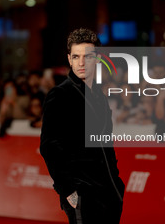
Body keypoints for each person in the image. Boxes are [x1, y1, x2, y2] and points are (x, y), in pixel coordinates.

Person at [40, 28, 125, 224]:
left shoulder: (100, 97)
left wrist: (116, 184)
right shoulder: (60, 95)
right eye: (76, 56)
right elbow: (49, 147)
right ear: (69, 59)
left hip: (110, 192)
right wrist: (68, 189)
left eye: (87, 56)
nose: (81, 62)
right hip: (82, 194)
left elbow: (106, 142)